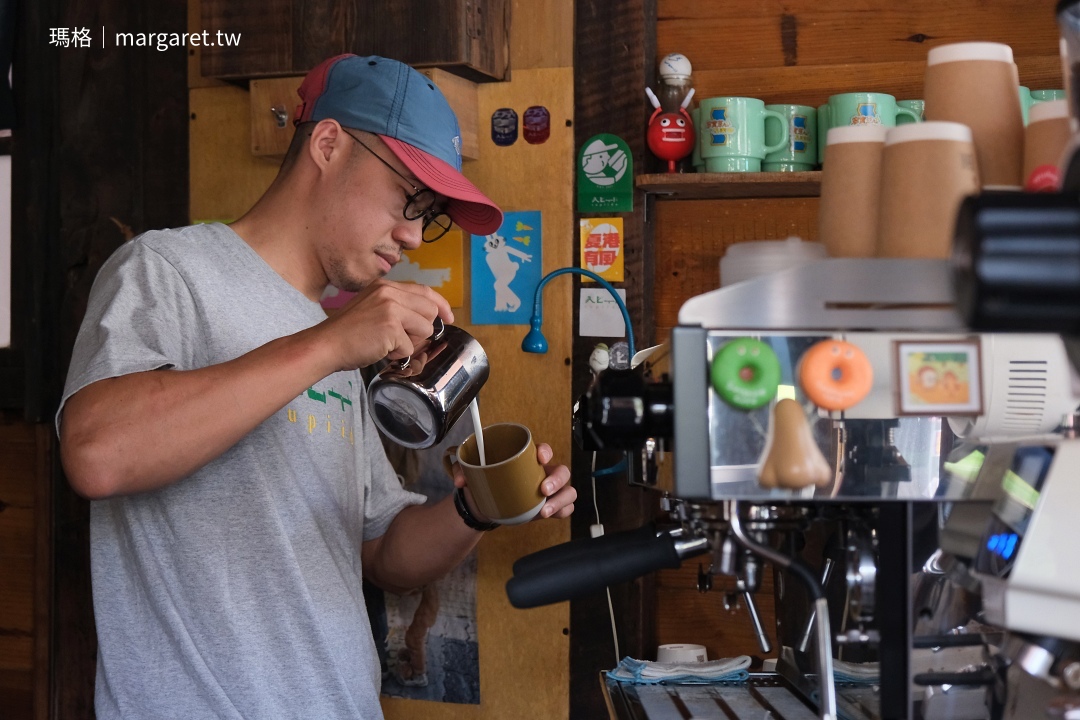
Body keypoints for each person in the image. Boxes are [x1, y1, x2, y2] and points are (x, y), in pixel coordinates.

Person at [56, 53, 576, 720]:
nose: (414, 235)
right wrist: (329, 345)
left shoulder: (340, 337)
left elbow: (381, 552)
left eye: (430, 214)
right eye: (408, 198)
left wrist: (475, 508)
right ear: (329, 144)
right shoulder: (169, 271)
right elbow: (96, 453)